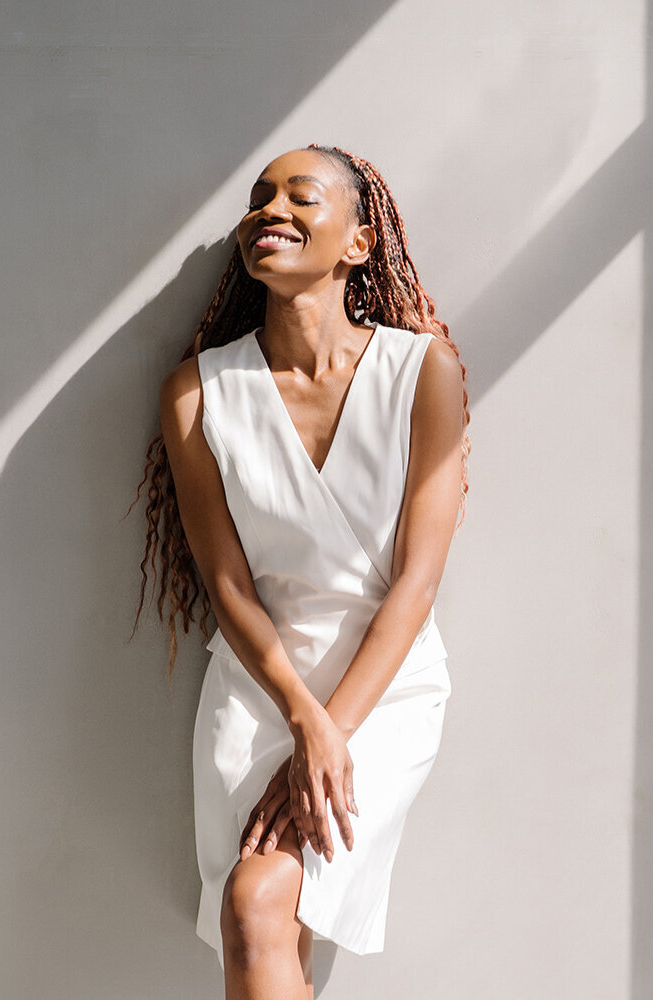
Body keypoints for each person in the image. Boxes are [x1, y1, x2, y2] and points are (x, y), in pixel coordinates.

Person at [129, 142, 470, 999]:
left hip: (383, 692)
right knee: (262, 929)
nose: (268, 210)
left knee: (259, 894)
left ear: (358, 243)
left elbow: (416, 584)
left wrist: (333, 729)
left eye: (300, 196)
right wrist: (298, 716)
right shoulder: (196, 392)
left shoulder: (420, 370)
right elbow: (227, 583)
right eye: (257, 197)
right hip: (257, 689)